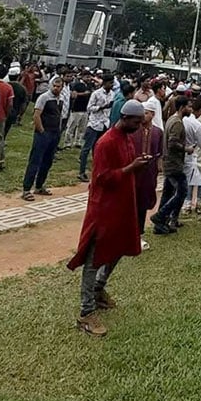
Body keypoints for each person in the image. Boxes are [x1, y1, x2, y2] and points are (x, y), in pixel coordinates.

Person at [66, 100, 149, 337]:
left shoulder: (127, 138)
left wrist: (139, 166)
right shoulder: (106, 142)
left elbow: (127, 169)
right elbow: (101, 178)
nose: (139, 126)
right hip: (104, 209)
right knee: (94, 259)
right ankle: (85, 312)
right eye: (137, 122)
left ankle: (99, 290)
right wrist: (130, 168)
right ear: (125, 118)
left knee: (119, 248)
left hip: (123, 206)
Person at [151, 96, 191, 234]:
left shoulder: (171, 120)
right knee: (182, 192)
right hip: (174, 163)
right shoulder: (177, 123)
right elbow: (172, 143)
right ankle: (160, 216)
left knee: (168, 193)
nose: (190, 109)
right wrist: (187, 149)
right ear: (182, 107)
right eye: (189, 106)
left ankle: (160, 225)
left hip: (169, 161)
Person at [21, 78, 66, 201]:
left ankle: (39, 186)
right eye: (54, 86)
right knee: (35, 161)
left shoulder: (61, 99)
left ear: (62, 87)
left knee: (47, 161)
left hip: (54, 133)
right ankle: (26, 189)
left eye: (59, 86)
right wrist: (41, 131)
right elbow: (36, 115)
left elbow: (60, 115)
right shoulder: (44, 97)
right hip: (43, 134)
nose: (56, 88)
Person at [131, 101, 163, 245]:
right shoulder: (133, 130)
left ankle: (139, 234)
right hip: (133, 172)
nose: (143, 116)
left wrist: (158, 168)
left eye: (146, 113)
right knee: (130, 202)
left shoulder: (158, 132)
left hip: (149, 174)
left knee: (143, 203)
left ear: (153, 114)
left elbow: (160, 153)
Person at [77, 76, 114, 181]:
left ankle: (97, 170)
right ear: (105, 83)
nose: (111, 85)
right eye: (110, 83)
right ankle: (81, 172)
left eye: (112, 83)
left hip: (104, 124)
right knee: (86, 148)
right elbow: (89, 108)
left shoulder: (112, 94)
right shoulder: (96, 93)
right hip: (94, 123)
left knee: (98, 149)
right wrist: (102, 107)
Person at [183, 97, 201, 216]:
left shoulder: (183, 120)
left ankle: (186, 203)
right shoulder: (197, 124)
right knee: (193, 179)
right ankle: (191, 203)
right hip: (192, 153)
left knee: (185, 181)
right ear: (200, 110)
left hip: (181, 152)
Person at [64, 75, 92, 149]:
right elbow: (73, 95)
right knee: (72, 126)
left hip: (85, 109)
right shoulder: (77, 85)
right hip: (76, 108)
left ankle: (78, 142)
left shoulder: (89, 85)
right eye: (87, 76)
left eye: (89, 77)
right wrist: (83, 94)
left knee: (82, 127)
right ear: (83, 77)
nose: (89, 78)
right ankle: (68, 143)